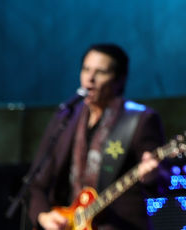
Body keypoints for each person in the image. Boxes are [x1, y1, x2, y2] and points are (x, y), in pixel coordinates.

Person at [27, 43, 164, 230]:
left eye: (100, 72)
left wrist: (151, 175)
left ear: (119, 80)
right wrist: (43, 216)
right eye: (86, 69)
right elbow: (37, 182)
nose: (90, 79)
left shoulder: (139, 120)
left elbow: (161, 182)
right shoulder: (66, 117)